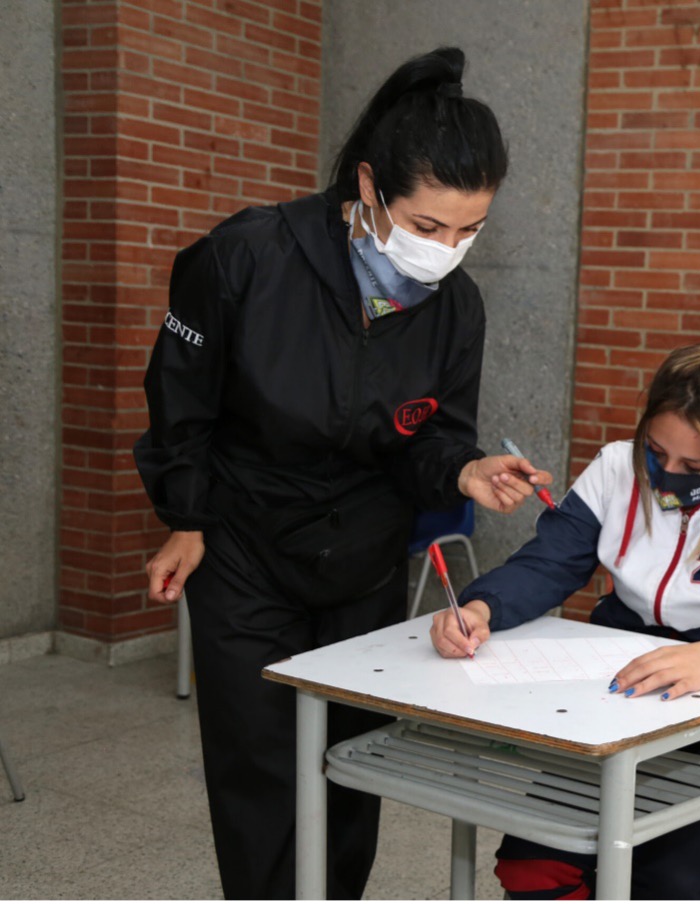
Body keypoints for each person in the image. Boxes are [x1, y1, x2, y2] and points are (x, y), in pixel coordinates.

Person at [133, 47, 552, 900]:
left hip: (362, 558)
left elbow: (427, 439)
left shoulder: (454, 309)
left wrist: (466, 470)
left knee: (350, 765)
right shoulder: (247, 257)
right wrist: (185, 516)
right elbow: (181, 401)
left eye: (470, 230)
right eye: (428, 227)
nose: (447, 250)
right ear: (368, 186)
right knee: (257, 771)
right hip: (244, 546)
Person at [430, 329, 700, 900]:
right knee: (534, 865)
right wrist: (480, 607)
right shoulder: (615, 468)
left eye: (692, 464)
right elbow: (548, 563)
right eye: (656, 451)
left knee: (667, 880)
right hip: (620, 708)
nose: (666, 472)